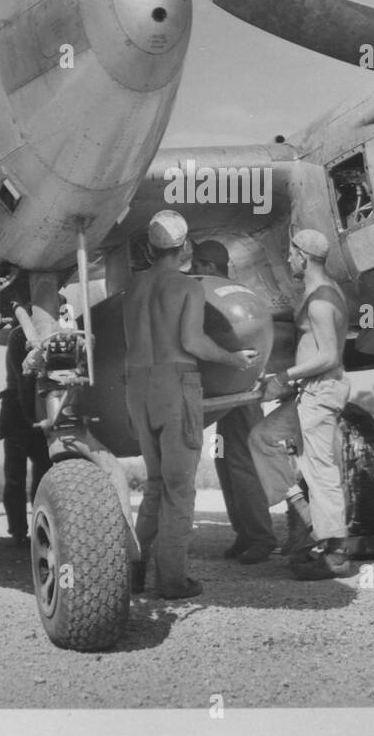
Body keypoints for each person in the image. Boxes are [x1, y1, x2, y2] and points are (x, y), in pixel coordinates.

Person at [123, 211, 259, 599]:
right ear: (183, 248)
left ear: (150, 249)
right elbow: (193, 343)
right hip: (174, 384)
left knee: (155, 483)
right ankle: (172, 580)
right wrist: (236, 360)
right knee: (179, 488)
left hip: (137, 386)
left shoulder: (132, 289)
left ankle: (133, 566)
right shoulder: (188, 288)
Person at [249, 228, 352, 580]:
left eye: (292, 254)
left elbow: (328, 356)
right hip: (310, 390)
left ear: (304, 257)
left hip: (320, 391)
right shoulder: (320, 292)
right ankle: (306, 517)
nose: (288, 259)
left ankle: (337, 554)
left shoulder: (322, 300)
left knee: (321, 469)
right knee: (262, 438)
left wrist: (284, 376)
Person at [190, 239, 276, 564]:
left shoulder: (217, 295)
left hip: (239, 395)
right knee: (225, 461)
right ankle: (244, 530)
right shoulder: (237, 292)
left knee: (241, 462)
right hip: (231, 393)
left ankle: (260, 536)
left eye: (197, 265)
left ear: (209, 267)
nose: (192, 272)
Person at [0, 315, 51, 544]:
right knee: (24, 477)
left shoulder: (20, 334)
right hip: (25, 413)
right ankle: (26, 531)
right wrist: (34, 418)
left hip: (24, 413)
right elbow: (23, 380)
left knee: (20, 477)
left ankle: (23, 531)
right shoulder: (21, 335)